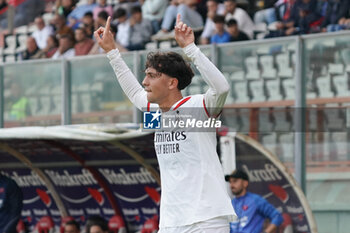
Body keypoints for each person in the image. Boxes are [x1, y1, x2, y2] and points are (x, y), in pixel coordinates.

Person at [95, 13, 236, 233]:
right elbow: (134, 91)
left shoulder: (197, 107)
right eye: (146, 75)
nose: (145, 81)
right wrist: (112, 52)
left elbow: (222, 88)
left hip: (207, 219)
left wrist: (190, 49)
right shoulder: (154, 113)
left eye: (152, 75)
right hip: (171, 222)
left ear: (172, 83)